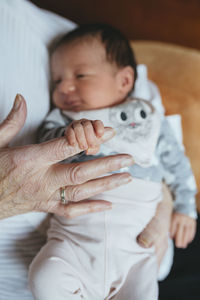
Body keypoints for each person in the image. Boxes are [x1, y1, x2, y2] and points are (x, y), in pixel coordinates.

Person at [28, 24, 197, 300]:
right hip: (72, 242)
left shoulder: (146, 117)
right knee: (44, 278)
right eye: (57, 81)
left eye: (79, 75)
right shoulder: (62, 120)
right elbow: (43, 147)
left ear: (124, 81)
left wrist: (186, 208)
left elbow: (177, 164)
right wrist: (70, 138)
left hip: (135, 251)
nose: (65, 87)